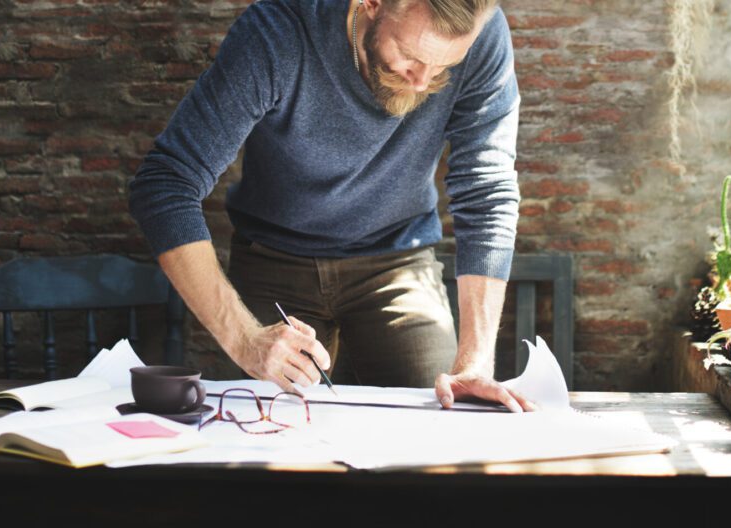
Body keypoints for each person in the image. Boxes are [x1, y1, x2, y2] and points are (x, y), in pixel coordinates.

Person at [129, 0, 536, 412]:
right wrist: (246, 340)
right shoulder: (278, 33)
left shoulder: (483, 34)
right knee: (266, 431)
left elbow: (487, 193)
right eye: (410, 57)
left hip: (398, 261)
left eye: (446, 65)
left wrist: (476, 363)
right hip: (274, 260)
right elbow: (166, 184)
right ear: (371, 4)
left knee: (441, 420)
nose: (422, 82)